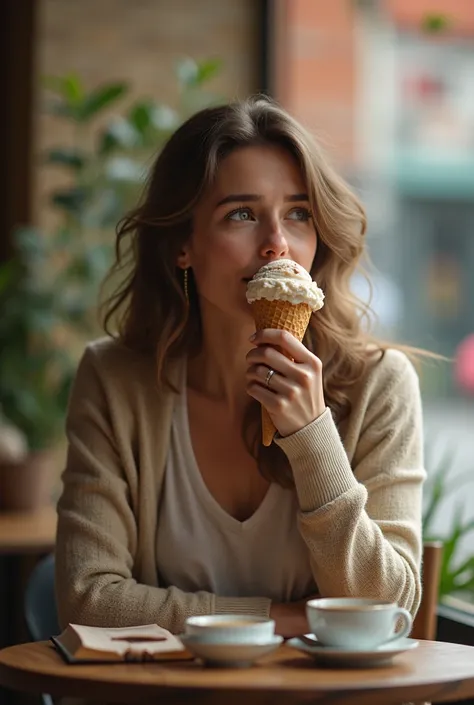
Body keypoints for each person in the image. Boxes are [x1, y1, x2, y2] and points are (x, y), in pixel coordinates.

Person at [55, 96, 426, 638]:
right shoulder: (114, 380)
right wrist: (280, 620)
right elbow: (88, 599)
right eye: (242, 215)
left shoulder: (380, 384)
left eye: (298, 213)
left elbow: (388, 611)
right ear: (184, 245)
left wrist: (311, 436)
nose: (278, 244)